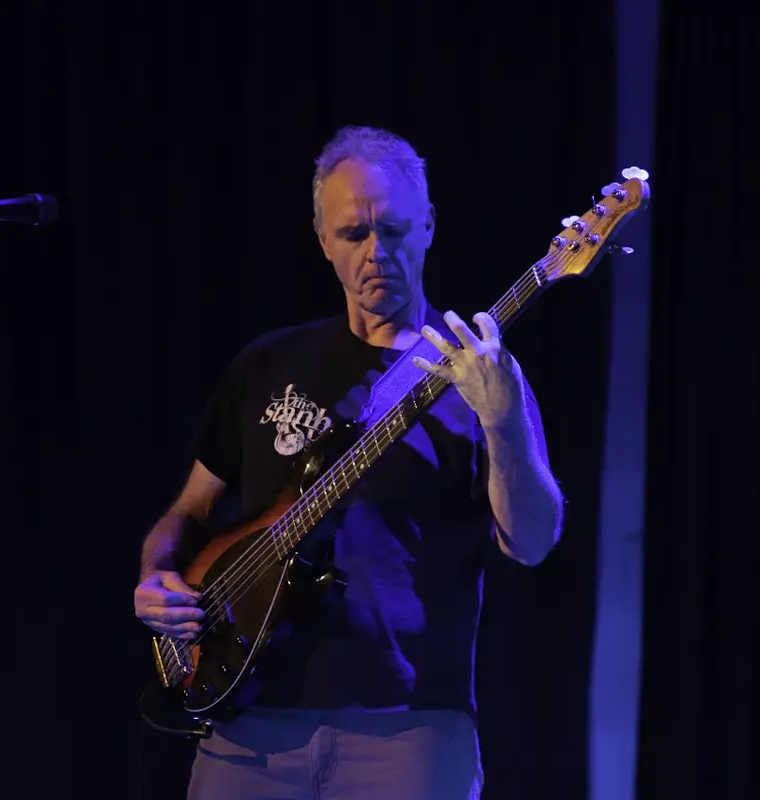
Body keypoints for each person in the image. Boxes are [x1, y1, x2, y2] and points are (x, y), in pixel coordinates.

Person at [133, 125, 564, 800]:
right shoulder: (267, 364)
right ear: (321, 237)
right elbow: (188, 512)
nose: (375, 253)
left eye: (393, 230)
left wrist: (502, 416)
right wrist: (157, 578)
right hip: (246, 729)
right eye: (353, 234)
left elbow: (533, 542)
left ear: (426, 226)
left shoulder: (481, 377)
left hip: (407, 732)